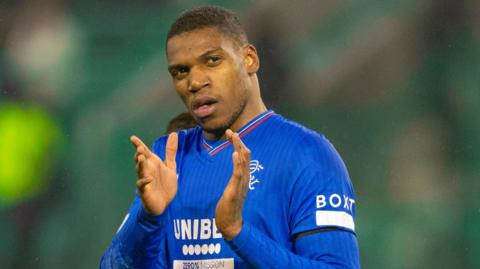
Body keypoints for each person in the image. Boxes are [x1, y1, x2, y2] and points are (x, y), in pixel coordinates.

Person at [101, 5, 359, 269]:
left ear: (249, 59)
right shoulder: (170, 155)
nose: (195, 81)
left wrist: (238, 232)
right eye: (181, 71)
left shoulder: (308, 154)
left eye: (212, 60)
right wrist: (148, 219)